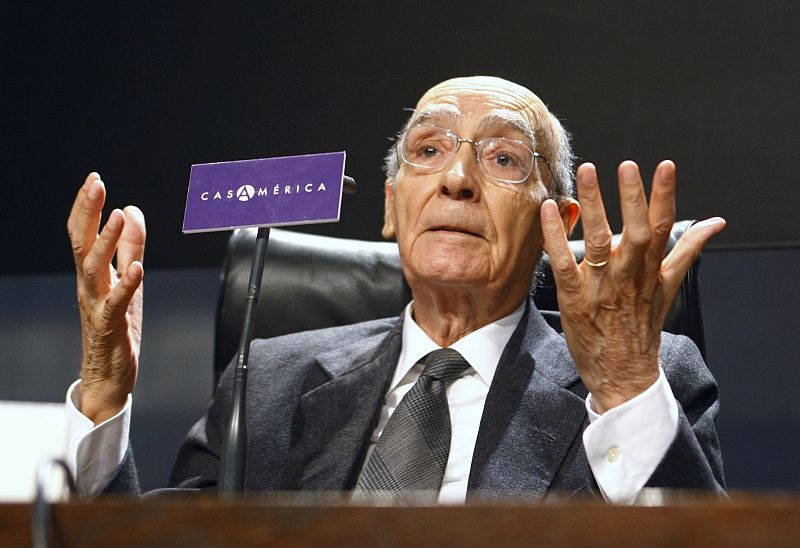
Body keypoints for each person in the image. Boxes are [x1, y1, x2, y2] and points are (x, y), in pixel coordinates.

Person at [65, 76, 726, 503]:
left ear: (561, 222)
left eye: (503, 159)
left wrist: (622, 385)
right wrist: (102, 397)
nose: (458, 179)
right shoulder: (270, 378)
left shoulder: (651, 379)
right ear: (391, 206)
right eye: (429, 149)